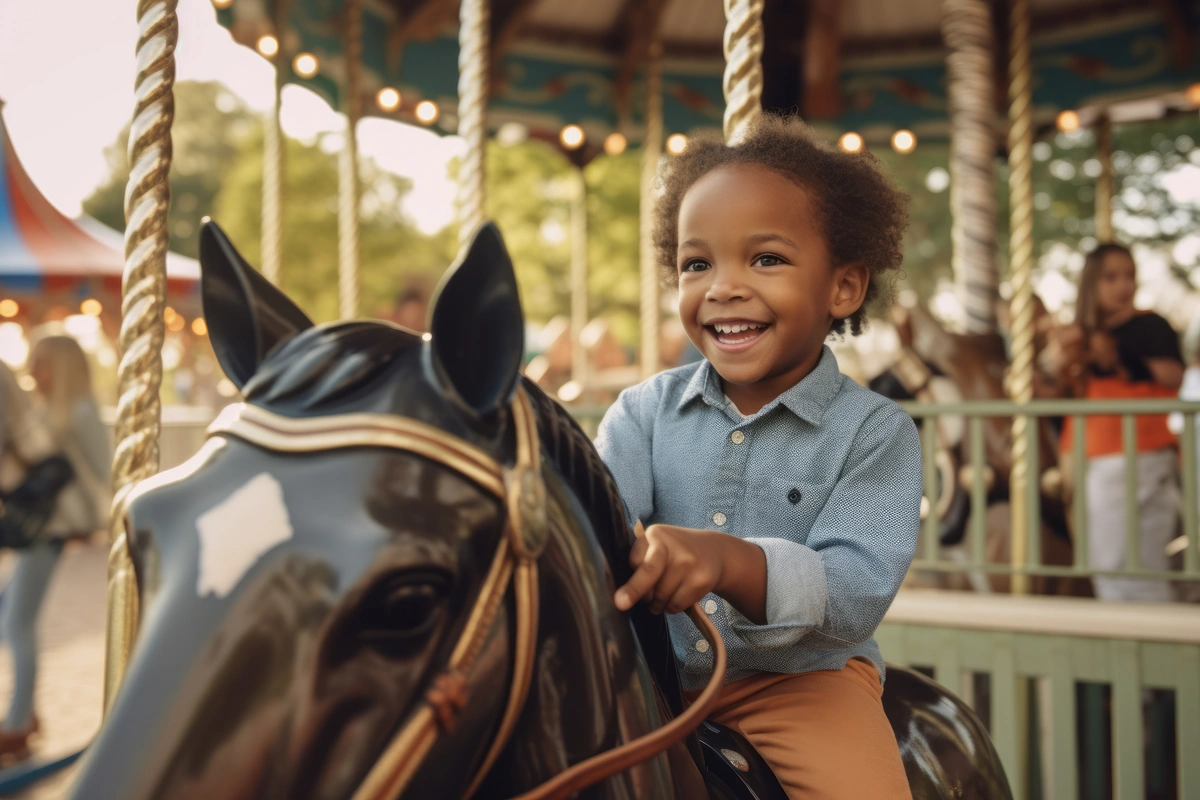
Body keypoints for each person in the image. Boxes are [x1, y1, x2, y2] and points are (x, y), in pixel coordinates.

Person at [595, 115, 919, 799]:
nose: (724, 287)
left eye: (765, 259)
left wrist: (727, 562)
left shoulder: (874, 432)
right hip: (649, 679)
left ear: (844, 287)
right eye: (697, 263)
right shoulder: (640, 415)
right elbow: (594, 528)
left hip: (800, 686)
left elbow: (855, 590)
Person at [0, 332, 110, 760]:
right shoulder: (44, 411)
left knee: (18, 623)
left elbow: (106, 468)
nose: (34, 372)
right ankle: (23, 712)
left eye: (42, 364)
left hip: (52, 528)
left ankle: (19, 720)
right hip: (42, 527)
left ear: (61, 367)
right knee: (9, 614)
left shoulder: (79, 412)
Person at [1057, 244, 1183, 602]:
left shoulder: (1149, 325)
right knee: (1121, 564)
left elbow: (1173, 374)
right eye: (1111, 277)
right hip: (1094, 455)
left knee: (1120, 565)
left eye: (1129, 276)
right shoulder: (1080, 334)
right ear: (1092, 284)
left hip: (1134, 452)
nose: (1123, 285)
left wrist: (1118, 358)